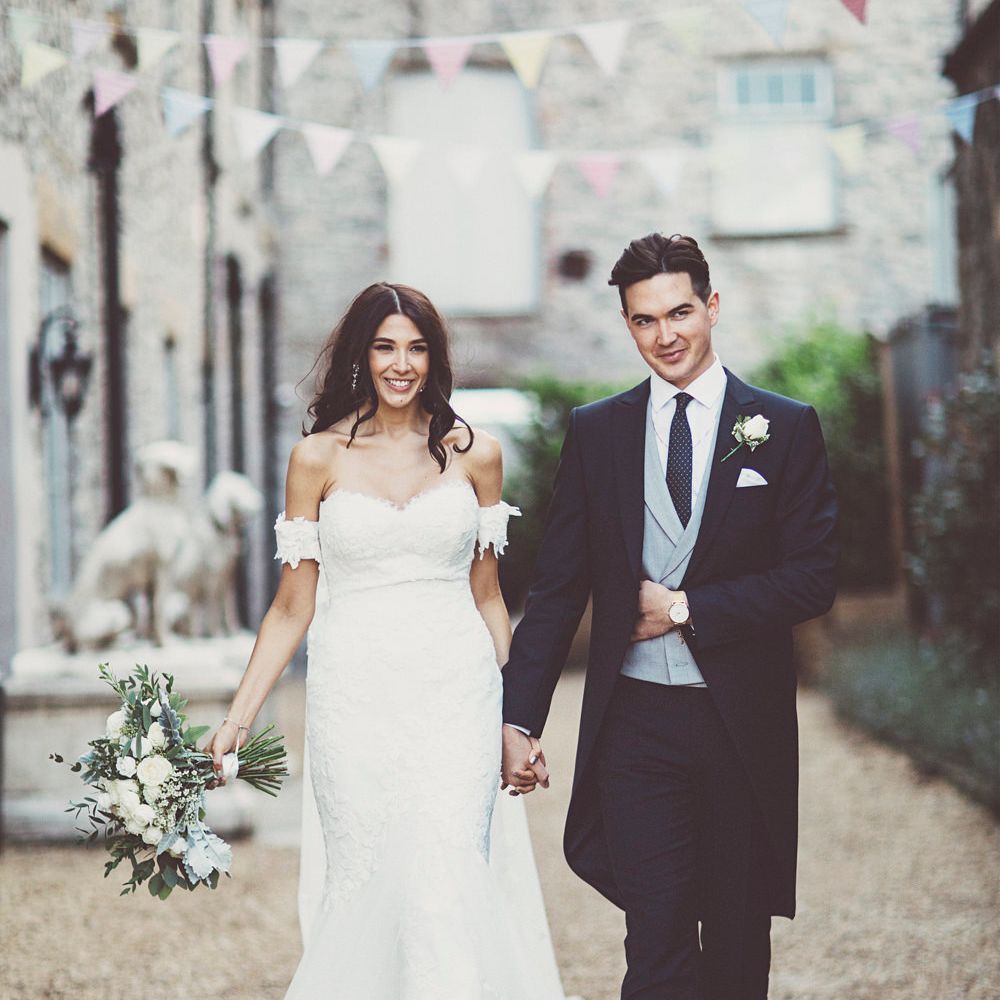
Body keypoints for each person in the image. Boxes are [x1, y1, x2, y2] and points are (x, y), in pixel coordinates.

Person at [205, 282, 568, 999]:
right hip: (355, 697)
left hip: (455, 692)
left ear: (434, 358)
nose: (401, 364)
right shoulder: (316, 458)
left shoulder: (477, 455)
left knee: (445, 878)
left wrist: (517, 720)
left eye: (416, 347)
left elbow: (489, 595)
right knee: (366, 883)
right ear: (360, 356)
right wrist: (237, 719)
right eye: (385, 347)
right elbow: (289, 608)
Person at [501, 234, 839, 999]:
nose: (667, 335)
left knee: (735, 950)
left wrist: (687, 607)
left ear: (711, 307)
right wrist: (518, 718)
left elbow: (813, 579)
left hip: (738, 723)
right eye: (645, 320)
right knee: (654, 944)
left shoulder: (783, 427)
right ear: (628, 325)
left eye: (680, 312)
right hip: (635, 725)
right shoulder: (598, 432)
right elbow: (557, 587)